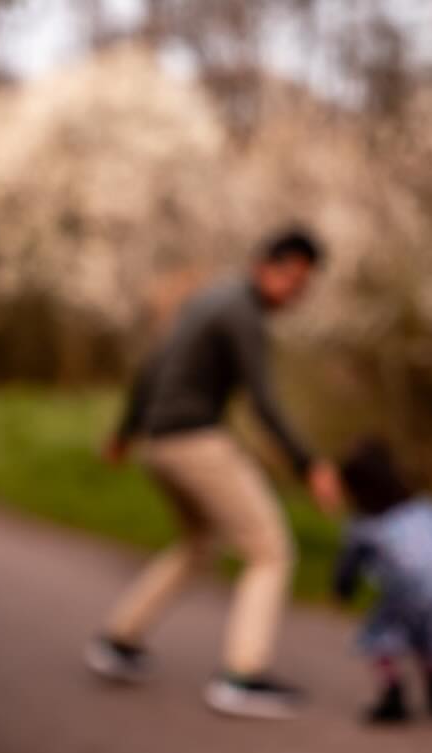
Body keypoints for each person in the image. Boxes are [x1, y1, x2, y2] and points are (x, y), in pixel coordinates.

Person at [87, 228, 340, 720]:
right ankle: (243, 676)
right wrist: (309, 464)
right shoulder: (242, 312)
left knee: (198, 545)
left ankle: (118, 640)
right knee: (270, 550)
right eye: (293, 279)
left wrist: (126, 432)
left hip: (158, 444)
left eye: (305, 285)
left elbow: (151, 367)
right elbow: (263, 400)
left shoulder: (207, 301)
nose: (296, 293)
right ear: (265, 266)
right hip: (195, 440)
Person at [332, 438, 432, 724]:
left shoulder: (367, 522)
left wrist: (343, 587)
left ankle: (393, 693)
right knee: (427, 632)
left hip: (412, 591)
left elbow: (349, 565)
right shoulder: (426, 506)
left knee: (381, 635)